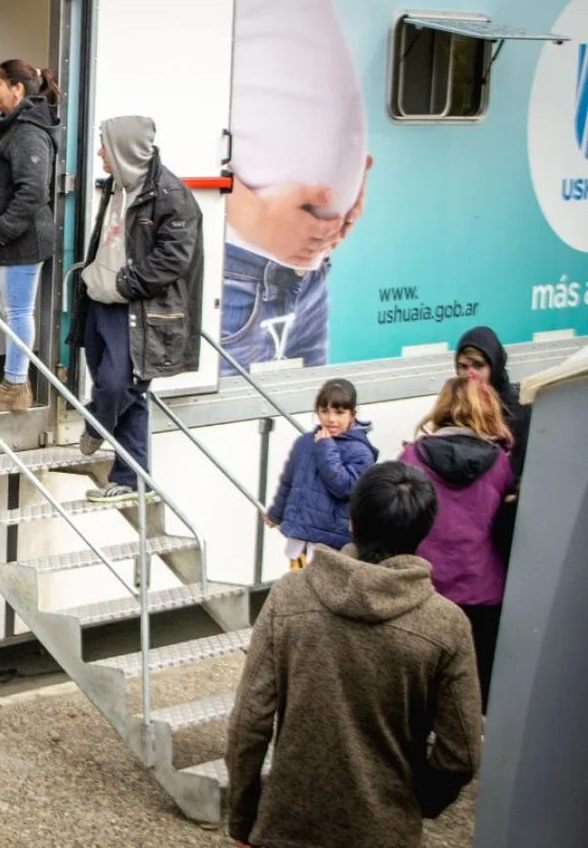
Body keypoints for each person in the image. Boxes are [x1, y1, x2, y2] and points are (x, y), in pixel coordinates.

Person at [106, 0, 373, 374]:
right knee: (214, 440)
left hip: (308, 270)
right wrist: (252, 216)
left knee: (309, 440)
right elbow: (133, 52)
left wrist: (351, 176)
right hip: (236, 265)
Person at [226, 461, 481, 848]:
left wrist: (243, 817)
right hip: (385, 831)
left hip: (287, 825)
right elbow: (460, 753)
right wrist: (417, 802)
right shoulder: (446, 625)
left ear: (351, 522)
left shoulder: (289, 596)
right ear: (423, 531)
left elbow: (249, 722)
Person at [68, 116, 203, 503]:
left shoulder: (171, 196)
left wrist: (124, 284)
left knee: (117, 384)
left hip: (138, 309)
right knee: (127, 391)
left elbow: (173, 259)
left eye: (104, 147)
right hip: (100, 304)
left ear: (123, 150)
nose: (99, 154)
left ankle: (96, 425)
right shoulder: (117, 185)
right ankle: (131, 479)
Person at [399, 376, 515, 713]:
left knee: (420, 697)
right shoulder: (499, 462)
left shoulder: (411, 455)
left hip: (425, 590)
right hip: (483, 593)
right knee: (470, 697)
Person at [0, 59, 61, 414]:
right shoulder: (13, 128)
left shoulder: (28, 133)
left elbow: (33, 190)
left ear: (18, 89)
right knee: (13, 312)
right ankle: (15, 384)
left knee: (19, 312)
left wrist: (2, 229)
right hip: (11, 241)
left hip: (22, 240)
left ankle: (15, 386)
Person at [264, 378, 377, 569]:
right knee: (299, 589)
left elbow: (345, 487)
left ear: (352, 414)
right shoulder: (304, 443)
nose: (331, 419)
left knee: (327, 593)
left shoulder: (361, 451)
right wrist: (276, 512)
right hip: (301, 538)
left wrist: (326, 449)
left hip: (333, 543)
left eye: (339, 412)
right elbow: (289, 482)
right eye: (324, 411)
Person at [455, 326, 532, 560]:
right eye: (463, 367)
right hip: (465, 520)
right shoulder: (455, 404)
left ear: (494, 366)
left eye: (478, 366)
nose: (470, 375)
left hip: (503, 520)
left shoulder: (516, 409)